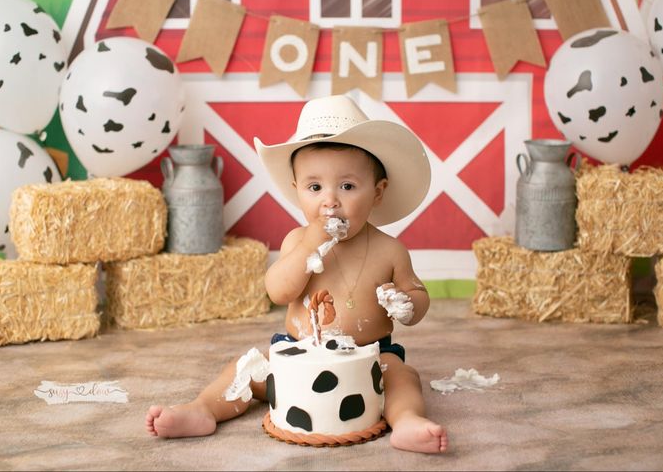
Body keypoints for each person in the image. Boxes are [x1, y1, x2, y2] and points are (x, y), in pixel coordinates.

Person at [145, 95, 448, 454]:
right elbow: (277, 290)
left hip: (370, 354)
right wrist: (308, 249)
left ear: (378, 192)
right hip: (299, 350)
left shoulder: (390, 250)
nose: (330, 201)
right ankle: (204, 408)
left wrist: (406, 304)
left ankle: (407, 420)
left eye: (348, 186)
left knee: (401, 377)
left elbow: (418, 294)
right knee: (247, 369)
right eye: (315, 187)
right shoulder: (296, 241)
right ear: (296, 191)